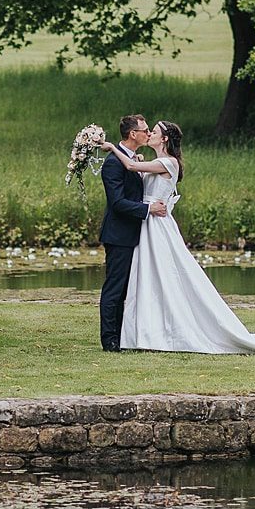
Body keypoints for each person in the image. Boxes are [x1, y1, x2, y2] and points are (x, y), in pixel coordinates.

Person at [101, 120, 255, 355]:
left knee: (167, 276)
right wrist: (135, 159)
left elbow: (132, 169)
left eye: (153, 131)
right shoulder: (154, 161)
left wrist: (113, 148)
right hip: (146, 225)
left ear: (164, 139)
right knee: (148, 279)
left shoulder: (169, 162)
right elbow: (137, 175)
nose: (149, 134)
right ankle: (143, 332)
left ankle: (166, 331)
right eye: (147, 130)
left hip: (156, 224)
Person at [98, 114, 168, 352]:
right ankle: (110, 340)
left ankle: (123, 336)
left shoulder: (134, 159)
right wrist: (148, 209)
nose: (148, 134)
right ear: (132, 134)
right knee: (115, 288)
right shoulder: (113, 163)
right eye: (145, 130)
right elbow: (117, 202)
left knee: (127, 289)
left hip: (136, 234)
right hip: (119, 234)